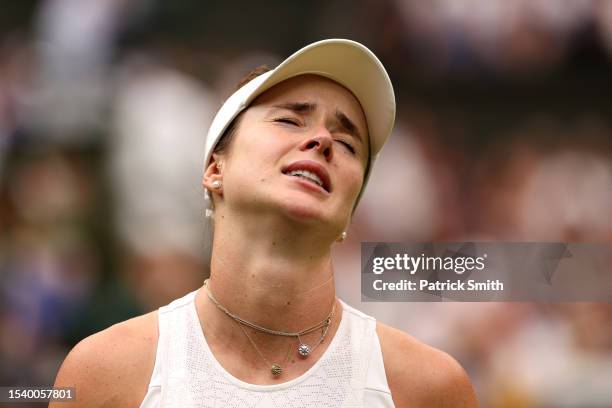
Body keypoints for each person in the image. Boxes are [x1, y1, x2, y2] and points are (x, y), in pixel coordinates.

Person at [51, 39, 478, 408]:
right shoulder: (102, 373)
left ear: (351, 211)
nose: (323, 140)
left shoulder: (430, 387)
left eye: (348, 144)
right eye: (290, 120)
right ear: (215, 169)